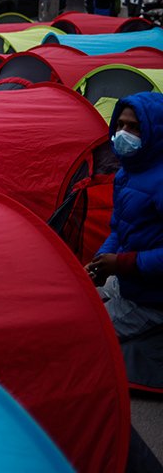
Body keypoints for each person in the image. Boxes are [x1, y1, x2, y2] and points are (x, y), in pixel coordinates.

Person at [88, 93, 163, 347]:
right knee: (75, 301)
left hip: (151, 300)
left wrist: (122, 263)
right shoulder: (127, 173)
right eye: (120, 125)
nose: (123, 133)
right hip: (128, 281)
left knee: (86, 335)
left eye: (134, 127)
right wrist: (101, 261)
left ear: (154, 132)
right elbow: (119, 228)